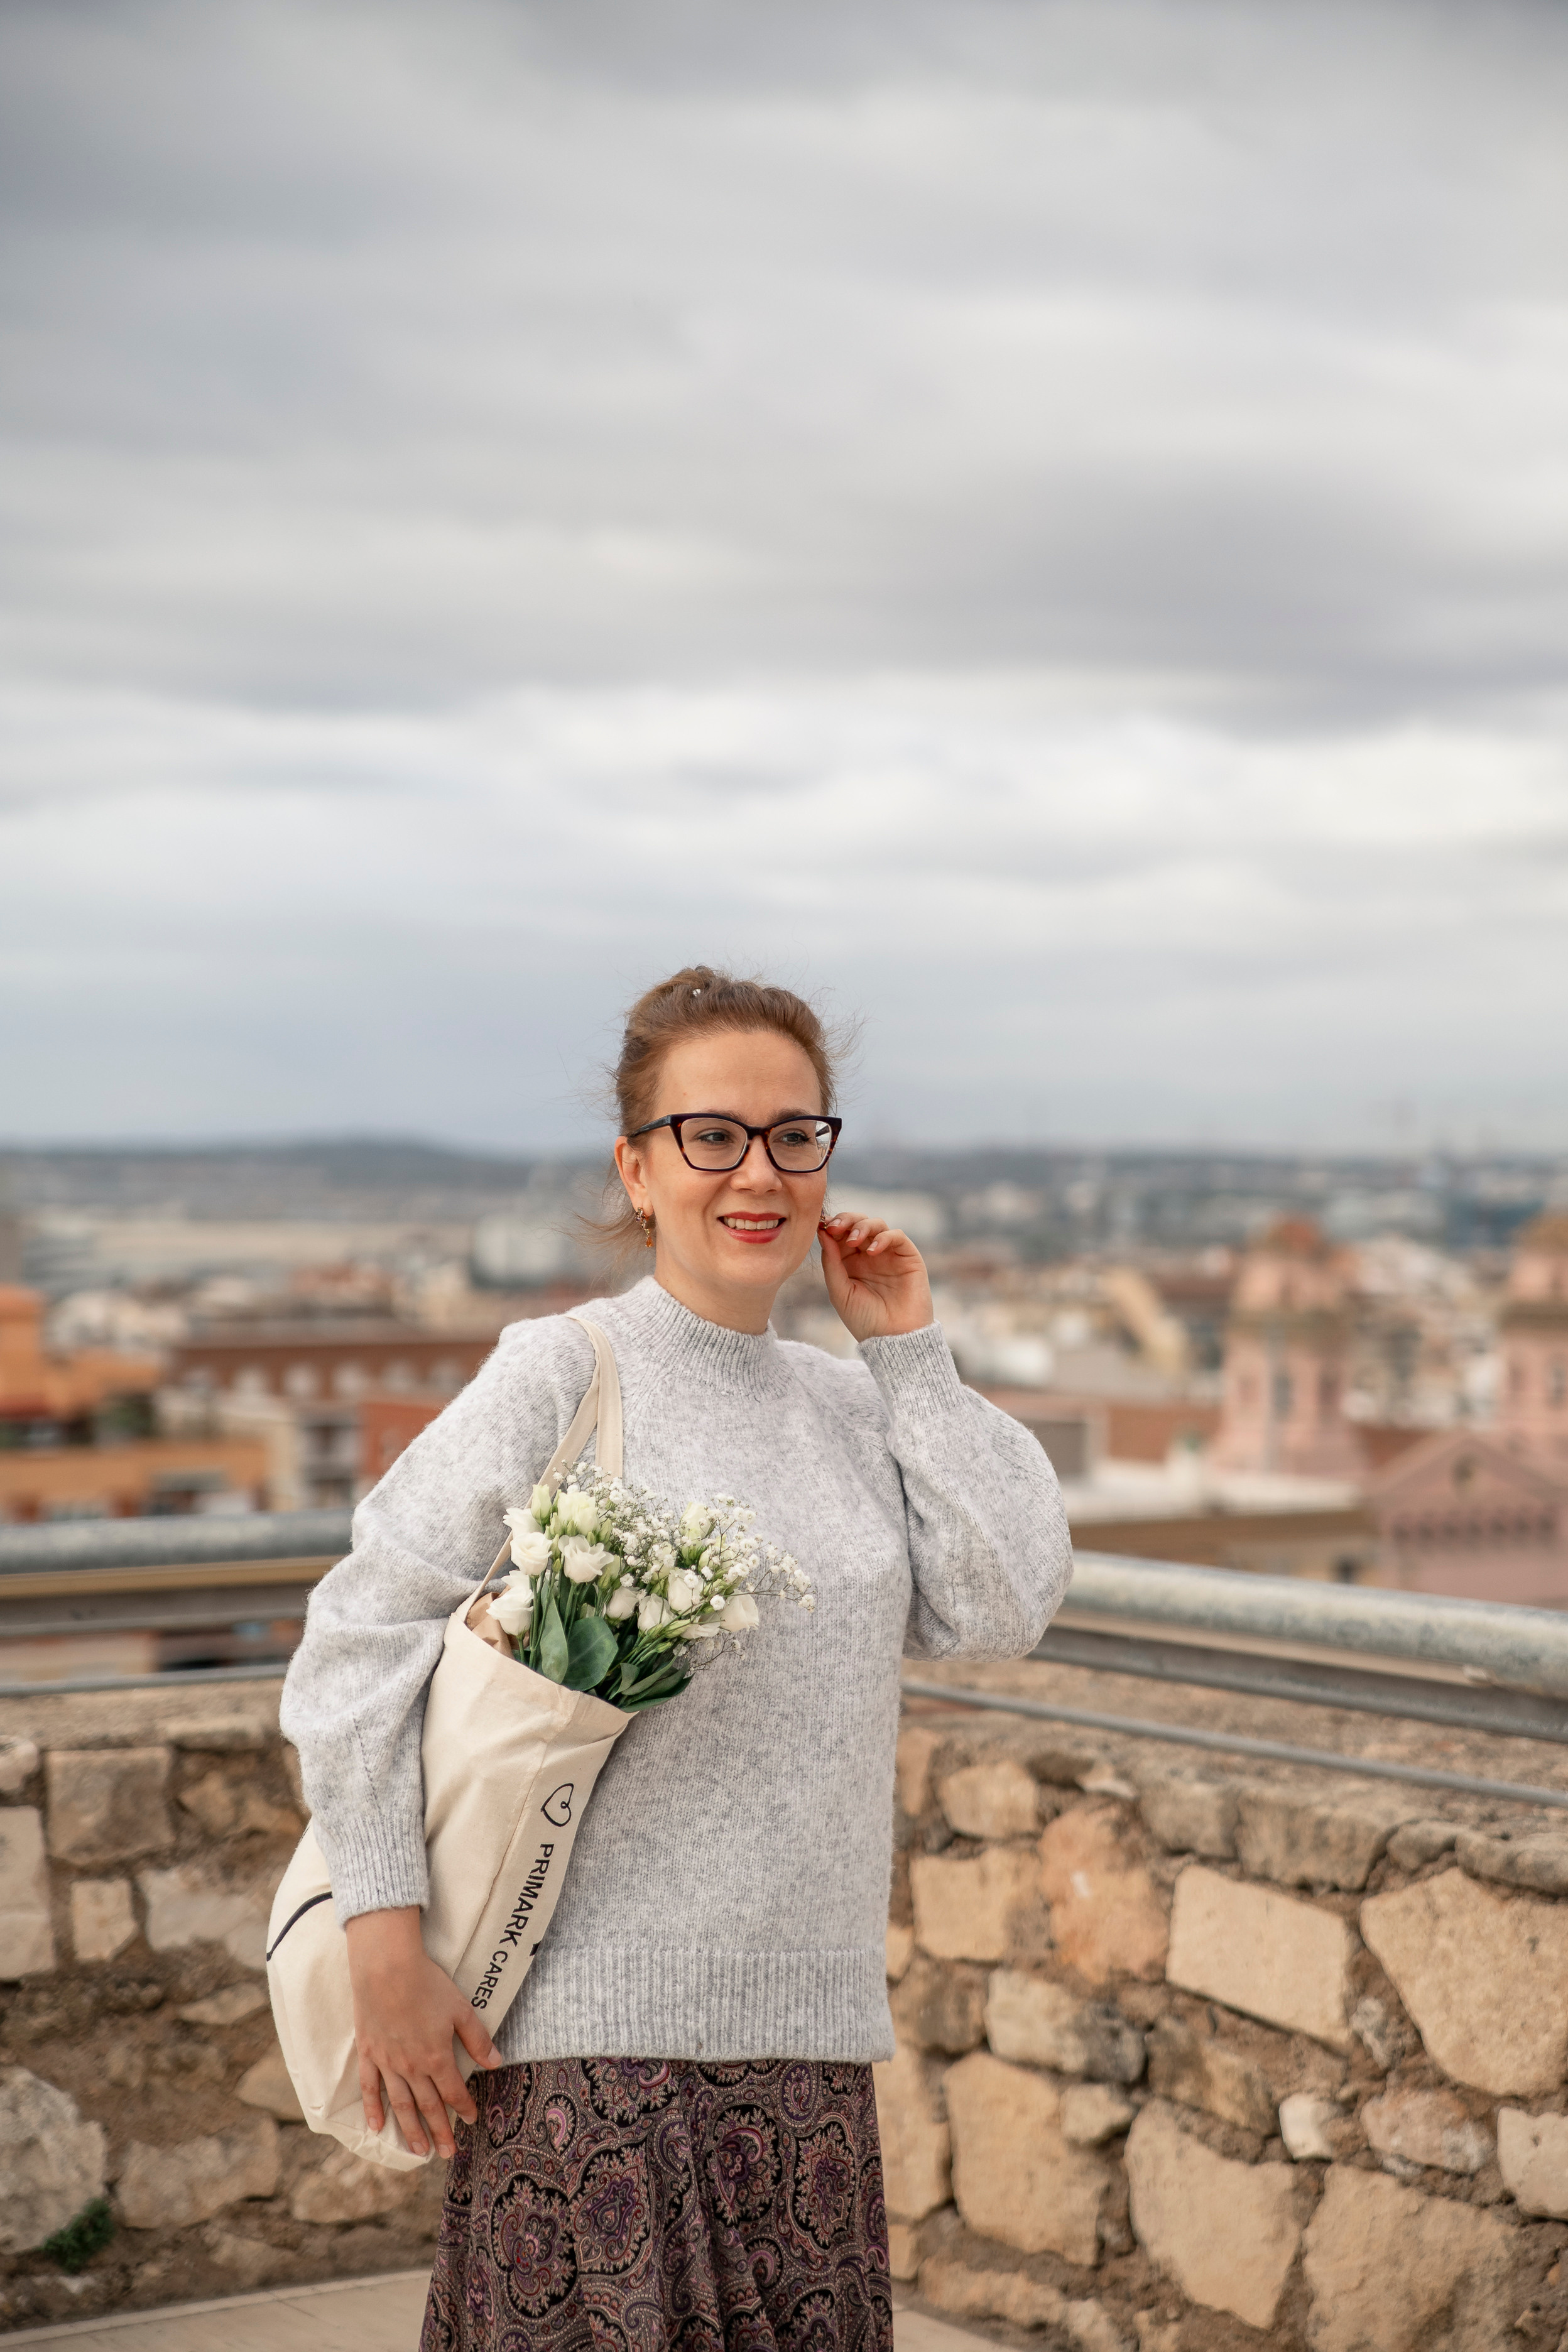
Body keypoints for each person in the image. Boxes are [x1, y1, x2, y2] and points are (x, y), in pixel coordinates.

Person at [281, 965, 1072, 2351]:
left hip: (810, 2063)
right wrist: (383, 1939)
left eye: (794, 1135)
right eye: (712, 1135)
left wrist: (911, 1357)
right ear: (637, 1170)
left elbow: (1001, 1604)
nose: (758, 1172)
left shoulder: (853, 1405)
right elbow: (359, 1635)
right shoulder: (563, 1371)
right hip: (585, 2063)